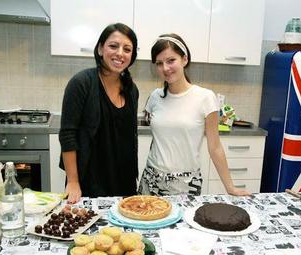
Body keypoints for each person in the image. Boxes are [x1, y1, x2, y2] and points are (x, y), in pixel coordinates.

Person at [138, 33, 250, 196]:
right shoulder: (155, 96)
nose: (165, 68)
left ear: (184, 59)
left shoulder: (205, 98)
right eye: (159, 63)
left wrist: (230, 187)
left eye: (171, 60)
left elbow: (215, 147)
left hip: (186, 183)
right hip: (151, 179)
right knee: (145, 221)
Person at [59, 23, 139, 203]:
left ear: (132, 56)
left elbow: (128, 138)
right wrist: (73, 181)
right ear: (101, 49)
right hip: (89, 182)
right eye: (113, 46)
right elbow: (67, 135)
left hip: (123, 183)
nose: (120, 53)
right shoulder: (81, 83)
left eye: (127, 49)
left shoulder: (131, 90)